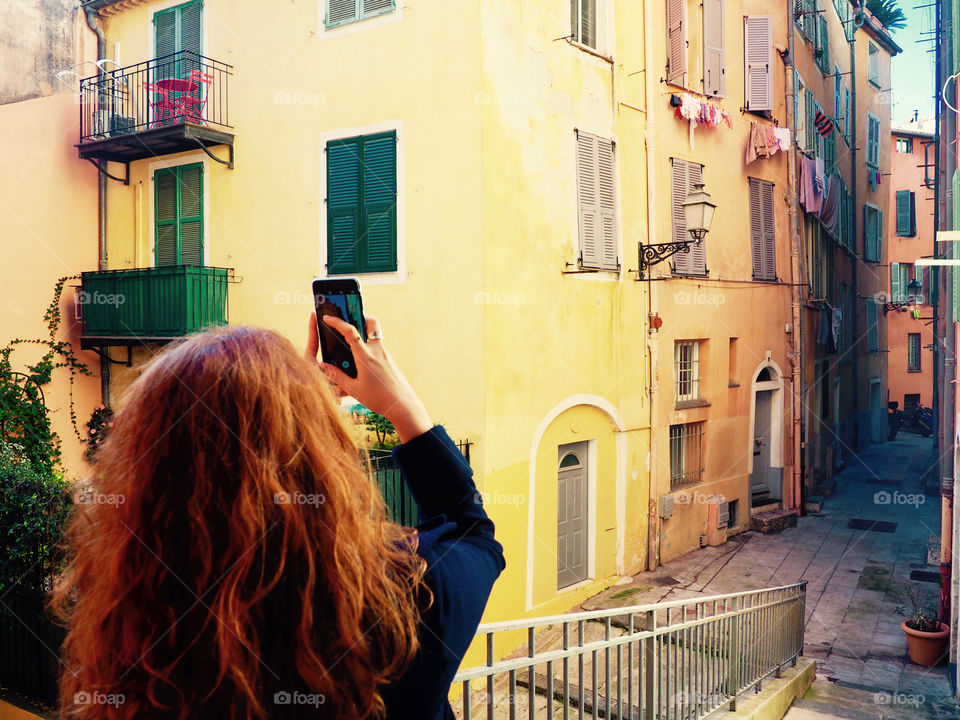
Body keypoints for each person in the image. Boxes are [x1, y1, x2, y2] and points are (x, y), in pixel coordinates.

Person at [51, 313, 505, 720]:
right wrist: (400, 408)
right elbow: (473, 530)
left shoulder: (133, 616)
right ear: (321, 459)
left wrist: (294, 407)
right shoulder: (411, 599)